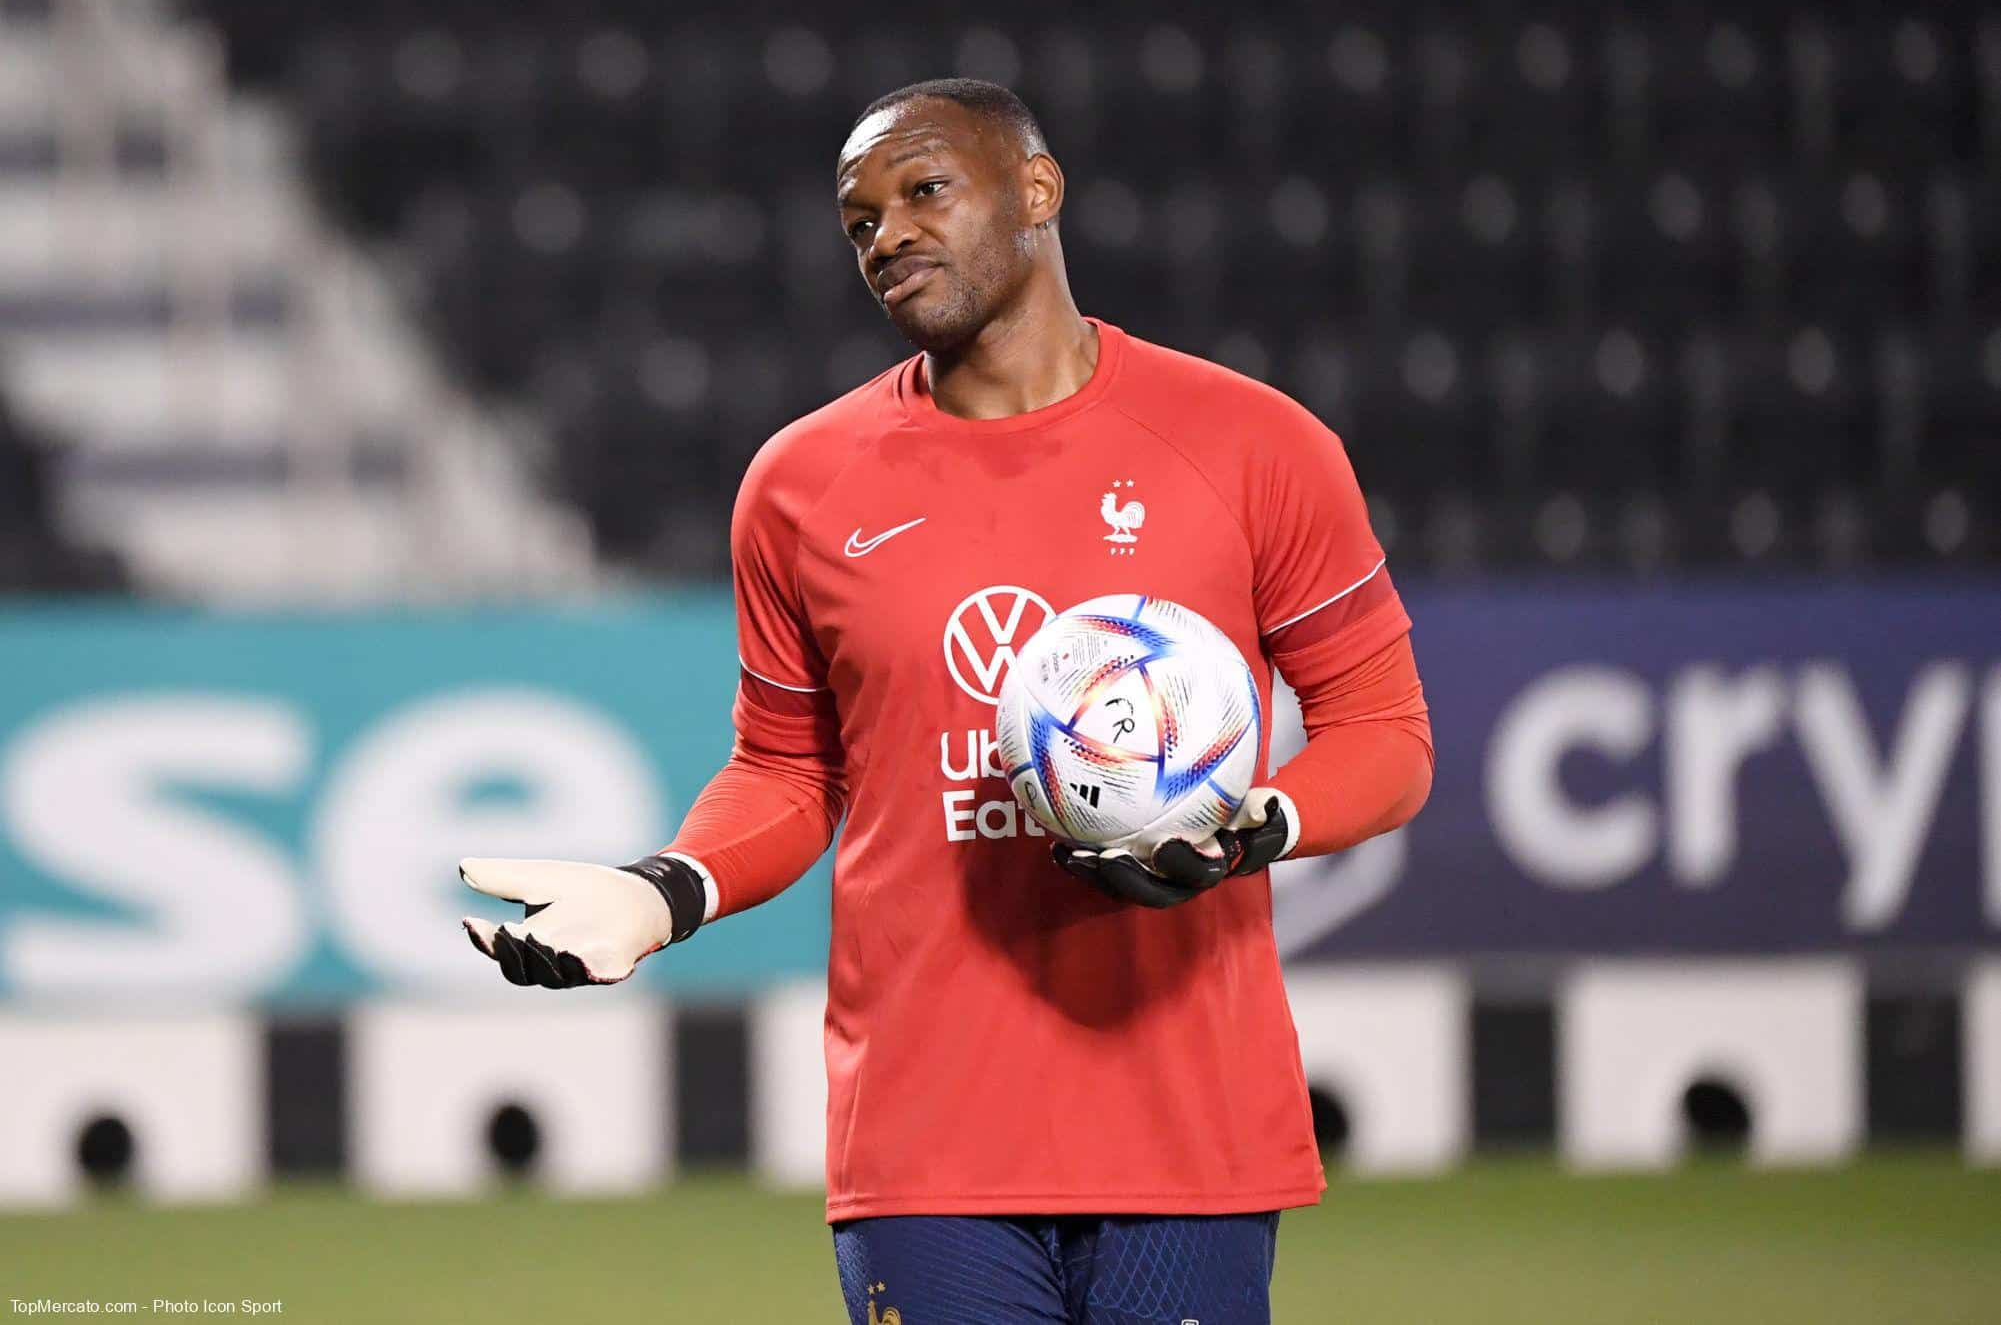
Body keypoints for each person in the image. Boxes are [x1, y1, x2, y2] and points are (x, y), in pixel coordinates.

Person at [461, 77, 1434, 1324]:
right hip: (926, 1144)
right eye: (859, 220)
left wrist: (1259, 828)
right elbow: (788, 770)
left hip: (1189, 1129)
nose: (890, 235)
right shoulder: (801, 485)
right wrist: (665, 887)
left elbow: (1385, 733)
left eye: (925, 189)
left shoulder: (1254, 444)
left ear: (1037, 188)